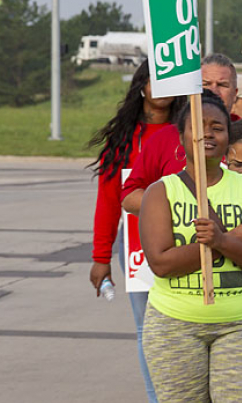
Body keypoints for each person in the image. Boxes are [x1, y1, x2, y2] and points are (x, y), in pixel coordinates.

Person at [138, 90, 242, 402]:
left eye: (217, 127)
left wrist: (223, 239)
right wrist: (235, 238)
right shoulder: (160, 192)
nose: (207, 133)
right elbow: (162, 264)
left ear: (228, 136)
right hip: (174, 327)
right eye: (198, 126)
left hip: (241, 326)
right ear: (182, 136)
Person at [87, 60, 184, 403]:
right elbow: (109, 201)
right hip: (136, 246)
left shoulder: (189, 131)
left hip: (184, 241)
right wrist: (101, 257)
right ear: (140, 85)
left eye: (168, 80)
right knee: (148, 329)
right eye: (153, 79)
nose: (160, 87)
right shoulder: (124, 138)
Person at [121, 54, 242, 216]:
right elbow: (129, 197)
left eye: (222, 85)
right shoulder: (164, 138)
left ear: (235, 93)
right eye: (205, 83)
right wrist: (179, 205)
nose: (213, 90)